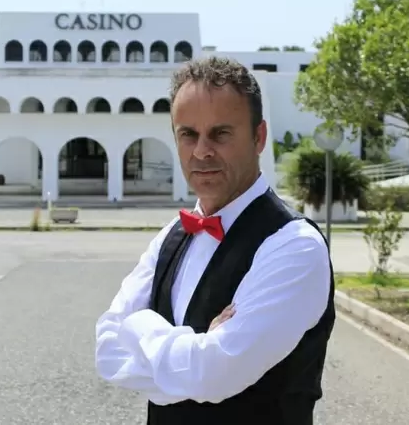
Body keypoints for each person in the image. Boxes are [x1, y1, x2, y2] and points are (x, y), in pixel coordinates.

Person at [94, 56, 335, 425]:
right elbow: (107, 350)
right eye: (188, 134)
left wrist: (139, 327)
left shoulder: (294, 245)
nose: (201, 151)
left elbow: (213, 374)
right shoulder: (170, 238)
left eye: (220, 134)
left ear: (258, 137)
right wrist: (194, 351)